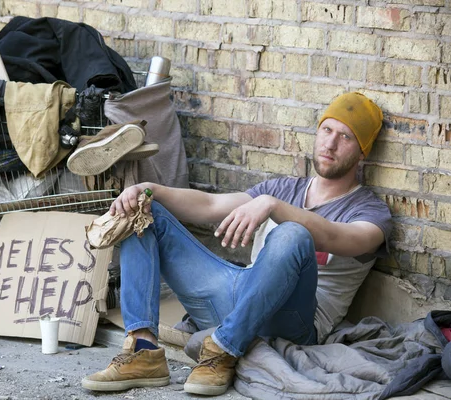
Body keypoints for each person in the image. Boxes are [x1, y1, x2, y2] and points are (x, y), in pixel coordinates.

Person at [81, 92, 393, 396]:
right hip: (237, 296)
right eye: (326, 130)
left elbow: (338, 238)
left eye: (345, 136)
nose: (330, 143)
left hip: (295, 322)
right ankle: (143, 350)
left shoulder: (370, 211)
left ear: (362, 152)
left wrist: (273, 206)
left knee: (294, 234)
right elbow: (208, 205)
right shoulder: (281, 187)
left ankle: (224, 348)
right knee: (144, 208)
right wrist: (149, 188)